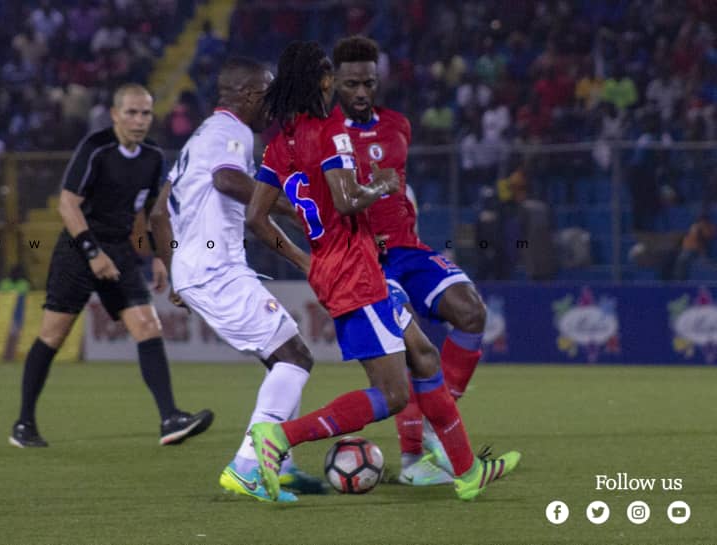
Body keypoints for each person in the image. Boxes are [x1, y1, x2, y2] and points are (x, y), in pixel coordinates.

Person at [246, 41, 519, 502]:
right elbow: (349, 199)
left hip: (336, 268)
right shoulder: (331, 130)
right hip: (356, 269)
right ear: (320, 81)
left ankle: (466, 471)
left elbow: (256, 218)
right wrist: (383, 185)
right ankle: (280, 438)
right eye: (331, 75)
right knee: (392, 394)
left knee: (425, 356)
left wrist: (304, 260)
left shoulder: (279, 143)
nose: (336, 83)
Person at [150, 57, 325, 502]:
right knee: (295, 357)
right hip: (216, 269)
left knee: (282, 355)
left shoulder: (200, 138)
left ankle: (279, 466)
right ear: (249, 95)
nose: (273, 104)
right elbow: (228, 180)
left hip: (203, 267)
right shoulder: (233, 134)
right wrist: (287, 205)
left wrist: (176, 267)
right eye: (268, 93)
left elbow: (158, 213)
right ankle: (247, 467)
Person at [9, 83, 213, 448]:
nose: (139, 120)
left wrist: (157, 258)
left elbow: (150, 214)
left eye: (145, 113)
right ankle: (24, 424)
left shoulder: (152, 157)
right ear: (116, 115)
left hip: (118, 250)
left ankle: (170, 418)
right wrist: (92, 253)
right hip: (78, 249)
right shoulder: (96, 148)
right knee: (53, 335)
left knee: (148, 326)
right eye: (131, 113)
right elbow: (67, 205)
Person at [330, 35, 493, 486]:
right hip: (366, 260)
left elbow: (396, 188)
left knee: (472, 311)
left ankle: (440, 433)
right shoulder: (324, 135)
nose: (361, 92)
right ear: (335, 84)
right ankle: (413, 460)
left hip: (408, 249)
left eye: (368, 82)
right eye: (350, 84)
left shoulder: (399, 125)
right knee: (411, 353)